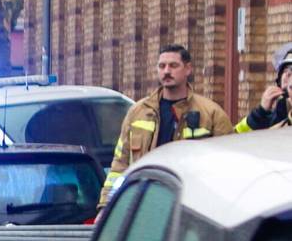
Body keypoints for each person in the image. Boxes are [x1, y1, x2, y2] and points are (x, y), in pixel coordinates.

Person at [103, 43, 235, 205]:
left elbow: (227, 167)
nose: (166, 71)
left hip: (191, 204)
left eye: (173, 66)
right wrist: (107, 204)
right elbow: (120, 164)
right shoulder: (138, 112)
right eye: (162, 66)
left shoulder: (211, 113)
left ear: (188, 69)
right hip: (145, 202)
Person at [238, 43, 292, 133]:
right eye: (285, 71)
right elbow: (239, 137)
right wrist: (260, 112)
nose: (287, 75)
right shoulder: (279, 110)